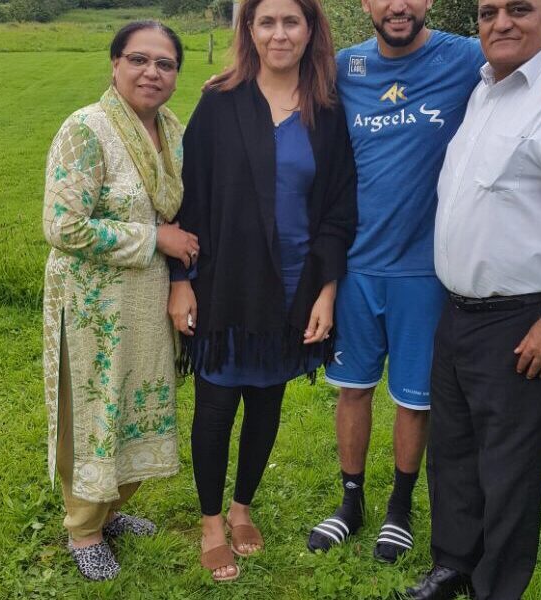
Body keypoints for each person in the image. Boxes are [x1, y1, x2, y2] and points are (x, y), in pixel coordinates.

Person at [307, 0, 541, 564]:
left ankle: (399, 508)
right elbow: (280, 77)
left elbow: (534, 54)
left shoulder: (467, 56)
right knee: (353, 388)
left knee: (414, 399)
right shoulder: (343, 67)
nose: (398, 5)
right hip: (357, 264)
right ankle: (350, 502)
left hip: (424, 269)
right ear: (364, 4)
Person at [404, 0, 541, 597]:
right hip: (455, 313)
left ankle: (496, 588)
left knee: (508, 471)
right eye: (488, 12)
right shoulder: (483, 90)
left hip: (521, 320)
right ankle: (453, 563)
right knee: (452, 454)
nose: (501, 22)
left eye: (520, 9)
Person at [168, 0, 357, 583]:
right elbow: (189, 201)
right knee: (217, 405)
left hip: (294, 287)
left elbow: (337, 211)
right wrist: (180, 282)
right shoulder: (220, 101)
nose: (280, 33)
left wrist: (326, 292)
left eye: (291, 21)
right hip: (226, 287)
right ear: (248, 30)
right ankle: (209, 522)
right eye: (266, 21)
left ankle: (243, 507)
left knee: (266, 404)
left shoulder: (326, 110)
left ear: (310, 30)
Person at [42, 21, 197, 581]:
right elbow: (62, 226)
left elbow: (178, 209)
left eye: (165, 63)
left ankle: (110, 511)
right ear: (114, 65)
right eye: (139, 59)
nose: (152, 72)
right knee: (92, 414)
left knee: (134, 407)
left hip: (146, 300)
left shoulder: (173, 131)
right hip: (91, 308)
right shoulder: (86, 129)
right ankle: (83, 529)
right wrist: (154, 239)